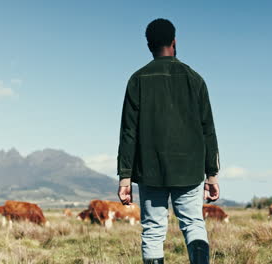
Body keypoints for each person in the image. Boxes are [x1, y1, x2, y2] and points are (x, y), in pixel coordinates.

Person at [117, 18, 220, 264]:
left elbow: (128, 132)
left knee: (153, 230)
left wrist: (125, 177)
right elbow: (208, 129)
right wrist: (212, 174)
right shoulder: (195, 79)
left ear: (149, 46)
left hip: (150, 170)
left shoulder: (137, 80)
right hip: (190, 169)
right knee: (194, 224)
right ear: (174, 42)